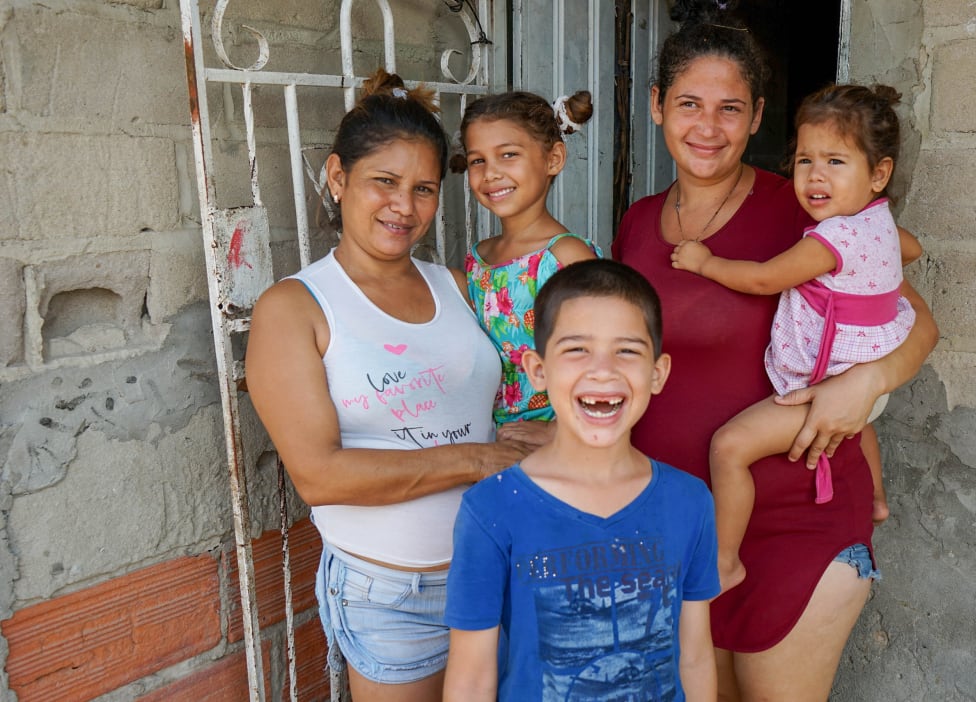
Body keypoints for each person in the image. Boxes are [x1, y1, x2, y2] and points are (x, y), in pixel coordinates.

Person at [612, 4, 938, 699]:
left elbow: (920, 325)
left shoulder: (806, 209)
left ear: (759, 116)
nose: (708, 126)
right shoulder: (638, 225)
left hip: (796, 514)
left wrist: (867, 384)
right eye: (689, 104)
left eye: (730, 107)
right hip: (678, 525)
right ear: (656, 106)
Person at [245, 69, 532, 702]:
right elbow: (320, 475)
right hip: (394, 594)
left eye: (423, 189)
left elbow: (505, 402)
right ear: (338, 177)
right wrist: (480, 458)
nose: (405, 206)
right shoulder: (296, 309)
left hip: (497, 566)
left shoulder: (455, 287)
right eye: (384, 182)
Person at [670, 83, 921, 591]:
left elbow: (764, 279)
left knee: (730, 447)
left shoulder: (832, 238)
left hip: (826, 383)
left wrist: (706, 261)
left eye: (835, 161)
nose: (814, 176)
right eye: (804, 160)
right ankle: (875, 496)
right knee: (860, 424)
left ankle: (723, 559)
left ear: (880, 173)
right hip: (864, 383)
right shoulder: (878, 222)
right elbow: (909, 250)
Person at [442, 259, 719, 701]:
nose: (603, 370)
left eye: (627, 350)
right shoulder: (491, 509)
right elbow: (472, 678)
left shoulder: (690, 501)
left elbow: (695, 654)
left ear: (658, 372)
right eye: (576, 349)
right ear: (537, 370)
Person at [454, 90, 600, 447]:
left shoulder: (567, 257)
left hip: (559, 448)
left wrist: (560, 431)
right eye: (477, 160)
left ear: (553, 159)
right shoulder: (478, 259)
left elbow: (605, 358)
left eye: (508, 155)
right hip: (488, 443)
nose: (490, 174)